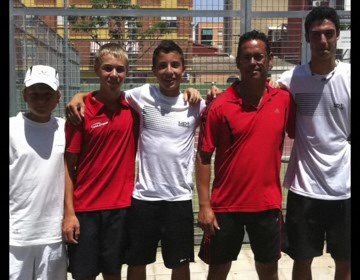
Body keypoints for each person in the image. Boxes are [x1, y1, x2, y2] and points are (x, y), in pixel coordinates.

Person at [66, 40, 206, 280]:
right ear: (153, 71)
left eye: (175, 65)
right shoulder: (140, 96)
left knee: (180, 265)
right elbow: (104, 94)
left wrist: (207, 92)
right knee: (135, 262)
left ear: (184, 68)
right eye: (162, 65)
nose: (169, 71)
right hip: (142, 199)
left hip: (179, 198)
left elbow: (219, 108)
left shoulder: (196, 105)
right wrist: (78, 96)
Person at [195, 30, 295, 280]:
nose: (253, 62)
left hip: (267, 205)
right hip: (225, 207)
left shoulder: (283, 100)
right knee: (217, 272)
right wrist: (205, 206)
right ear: (238, 62)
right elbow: (204, 156)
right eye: (247, 57)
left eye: (259, 56)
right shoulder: (219, 105)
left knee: (269, 271)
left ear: (269, 59)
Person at [276, 6, 351, 280]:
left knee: (345, 262)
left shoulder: (349, 78)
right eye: (317, 35)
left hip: (344, 189)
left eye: (329, 34)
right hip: (304, 188)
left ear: (338, 36)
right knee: (302, 260)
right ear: (308, 37)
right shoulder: (291, 79)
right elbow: (256, 92)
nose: (323, 41)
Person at [63, 43, 140, 280]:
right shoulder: (81, 112)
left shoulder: (133, 110)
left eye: (120, 69)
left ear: (127, 72)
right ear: (96, 69)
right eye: (108, 68)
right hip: (85, 209)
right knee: (84, 275)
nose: (114, 75)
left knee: (113, 272)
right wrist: (69, 213)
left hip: (120, 208)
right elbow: (68, 165)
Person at [10, 65, 67, 280]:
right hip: (17, 235)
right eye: (34, 94)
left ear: (57, 97)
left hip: (53, 234)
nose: (41, 100)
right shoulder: (12, 129)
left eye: (47, 94)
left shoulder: (64, 129)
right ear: (24, 94)